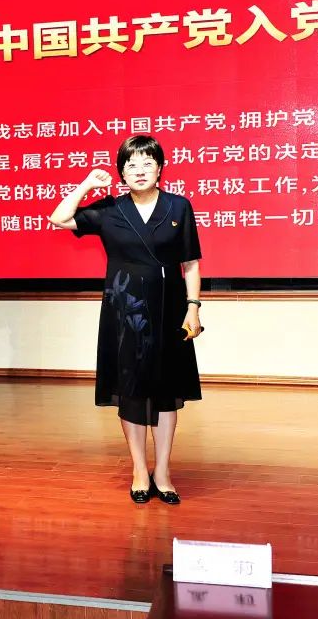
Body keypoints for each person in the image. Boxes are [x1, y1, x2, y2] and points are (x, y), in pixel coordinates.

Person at [49, 135, 203, 506]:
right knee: (130, 391)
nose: (139, 170)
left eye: (147, 163)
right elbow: (58, 218)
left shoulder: (179, 206)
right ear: (121, 172)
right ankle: (139, 470)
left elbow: (191, 263)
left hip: (169, 309)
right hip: (125, 312)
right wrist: (87, 184)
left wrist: (194, 307)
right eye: (131, 165)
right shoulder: (110, 209)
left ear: (160, 168)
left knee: (167, 394)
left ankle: (162, 471)